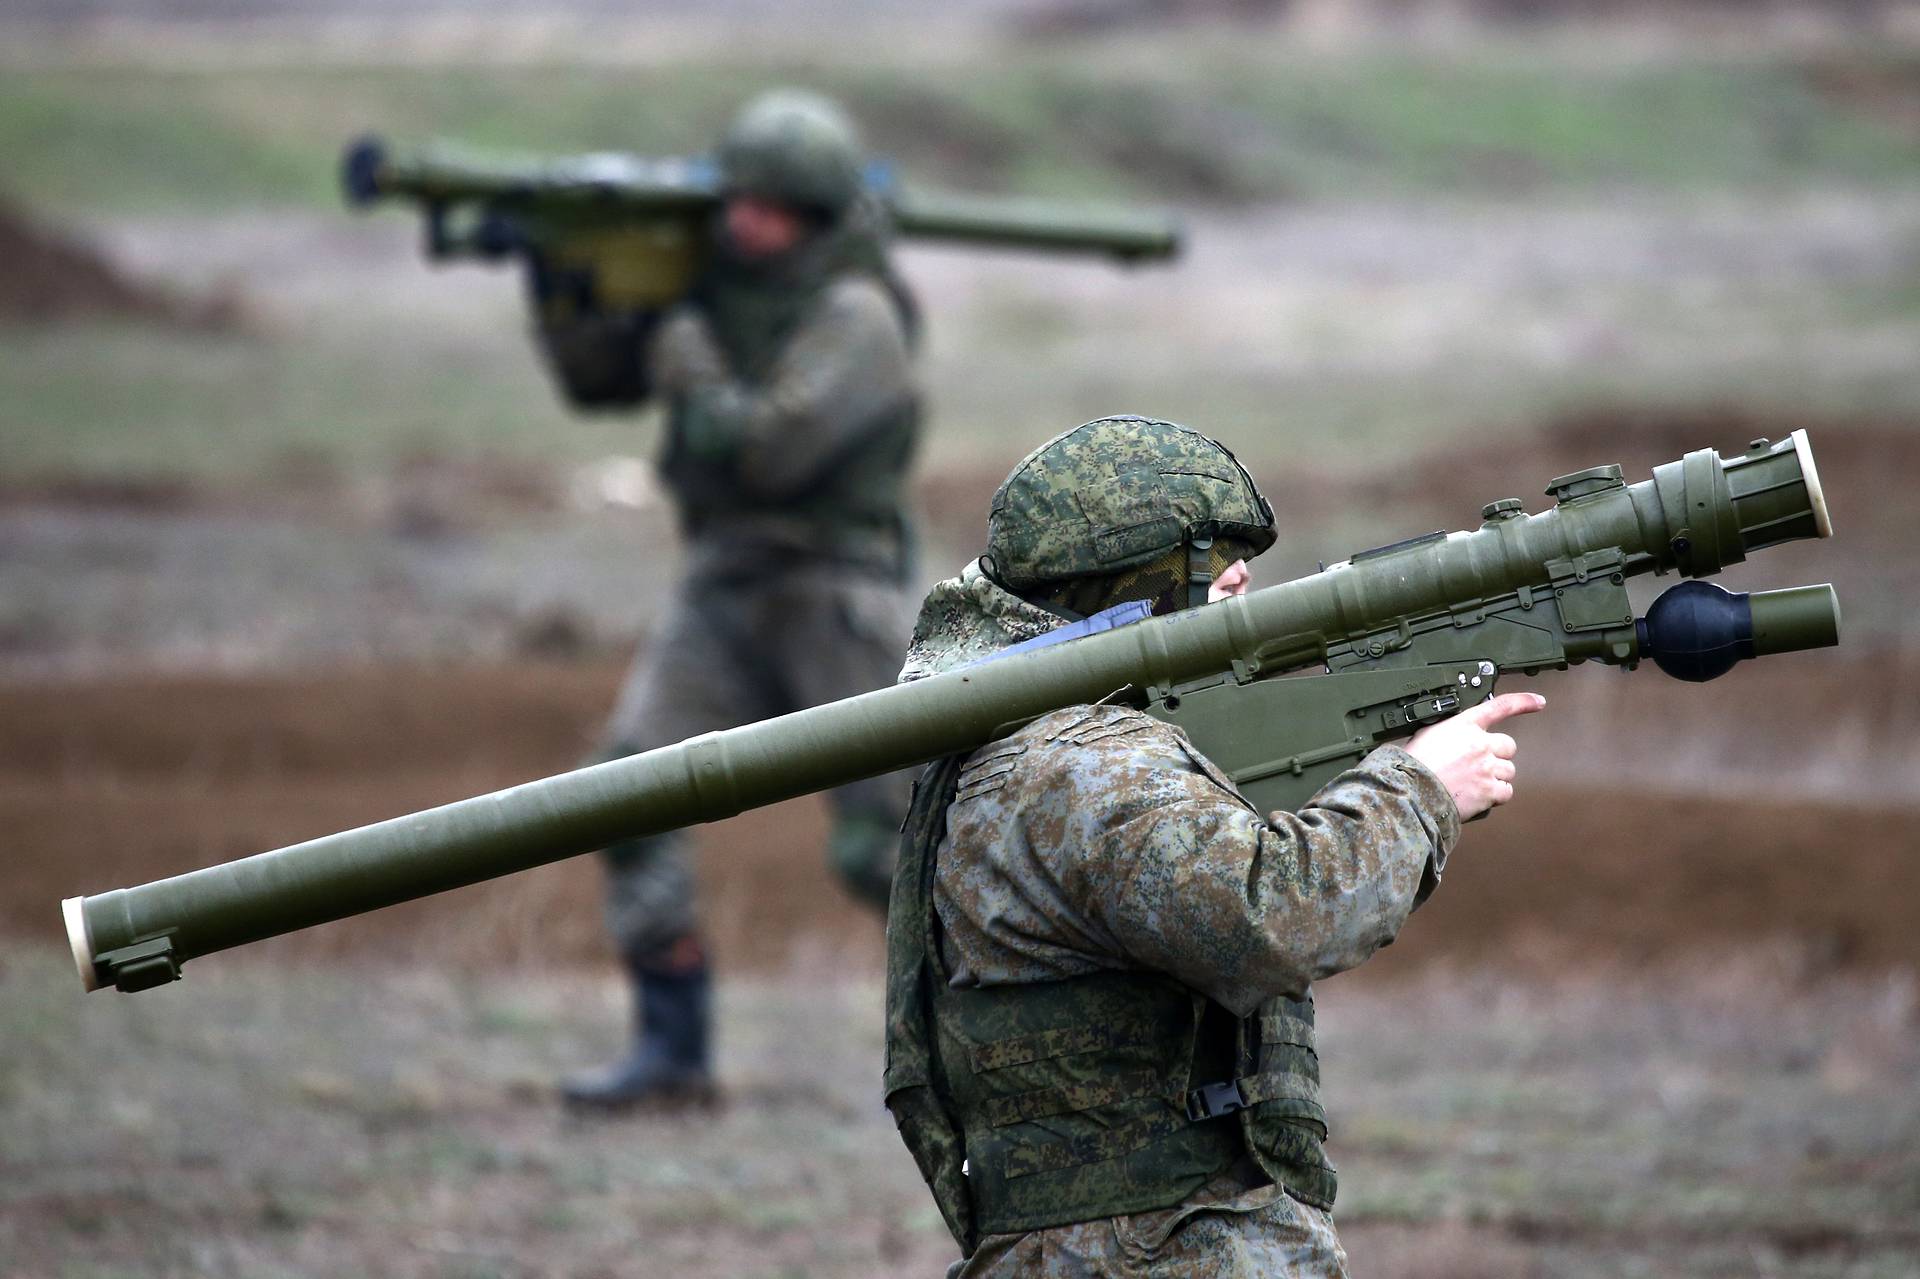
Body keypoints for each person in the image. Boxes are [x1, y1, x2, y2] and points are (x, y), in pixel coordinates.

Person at [884, 416, 1544, 1275]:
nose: (1241, 577)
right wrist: (1421, 788)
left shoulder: (1040, 745)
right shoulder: (1086, 767)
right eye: (1207, 559)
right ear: (1122, 580)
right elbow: (1270, 916)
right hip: (1160, 1248)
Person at [561, 90, 922, 1110]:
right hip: (721, 585)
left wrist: (690, 362)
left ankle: (990, 1038)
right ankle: (672, 1053)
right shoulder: (708, 293)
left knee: (886, 846)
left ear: (811, 218)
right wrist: (579, 289)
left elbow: (771, 449)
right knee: (628, 788)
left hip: (832, 593)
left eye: (770, 208)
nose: (742, 223)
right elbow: (595, 383)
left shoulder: (859, 316)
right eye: (738, 201)